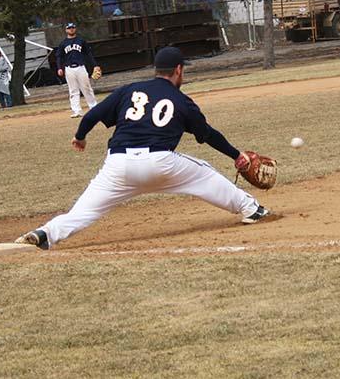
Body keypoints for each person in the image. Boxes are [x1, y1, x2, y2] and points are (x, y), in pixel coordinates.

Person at [15, 46, 271, 250]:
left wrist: (80, 137)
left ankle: (46, 234)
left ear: (158, 70)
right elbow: (208, 135)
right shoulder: (182, 101)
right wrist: (237, 155)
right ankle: (252, 209)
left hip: (118, 166)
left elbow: (93, 115)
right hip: (161, 163)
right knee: (204, 173)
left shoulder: (129, 90)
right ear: (178, 70)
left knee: (84, 211)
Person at [55, 22, 98, 118]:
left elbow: (88, 54)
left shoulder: (81, 41)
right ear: (66, 30)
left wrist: (95, 65)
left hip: (81, 67)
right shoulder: (63, 43)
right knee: (73, 90)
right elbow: (59, 57)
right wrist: (59, 68)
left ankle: (94, 108)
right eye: (69, 28)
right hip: (69, 69)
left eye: (73, 28)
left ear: (75, 29)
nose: (71, 29)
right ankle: (77, 110)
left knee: (86, 88)